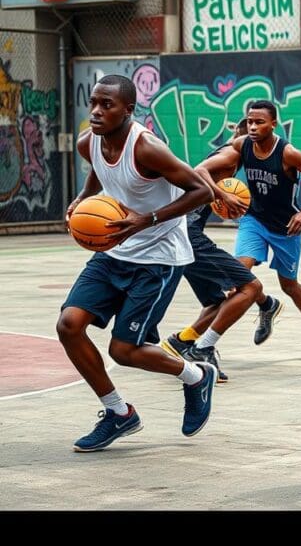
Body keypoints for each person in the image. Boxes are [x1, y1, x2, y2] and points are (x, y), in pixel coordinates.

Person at [57, 74, 217, 452]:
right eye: (94, 102)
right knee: (69, 325)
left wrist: (148, 219)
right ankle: (119, 413)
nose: (96, 111)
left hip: (158, 258)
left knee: (123, 350)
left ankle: (196, 376)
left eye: (106, 105)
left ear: (128, 110)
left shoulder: (147, 149)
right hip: (114, 250)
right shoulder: (89, 142)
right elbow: (98, 168)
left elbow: (202, 191)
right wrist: (83, 197)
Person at [200, 100, 301, 360]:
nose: (253, 126)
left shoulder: (288, 153)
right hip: (254, 220)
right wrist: (220, 193)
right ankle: (258, 309)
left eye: (259, 122)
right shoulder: (242, 145)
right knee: (241, 278)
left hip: (285, 227)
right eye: (249, 121)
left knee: (289, 285)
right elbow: (206, 166)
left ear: (273, 124)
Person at [160, 118, 279, 383]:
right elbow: (199, 170)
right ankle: (202, 348)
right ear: (240, 136)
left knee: (218, 302)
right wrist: (222, 195)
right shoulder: (230, 154)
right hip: (189, 236)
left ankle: (182, 342)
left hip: (182, 235)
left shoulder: (233, 158)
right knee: (251, 288)